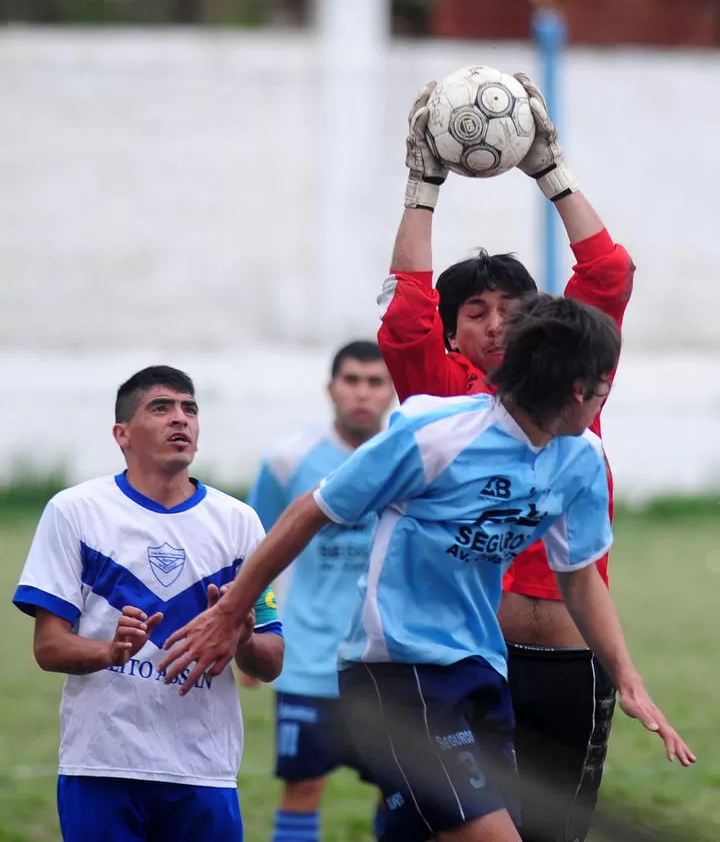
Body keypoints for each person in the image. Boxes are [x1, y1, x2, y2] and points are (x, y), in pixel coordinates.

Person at [158, 295, 694, 842]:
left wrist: (628, 680)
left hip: (483, 668)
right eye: (605, 384)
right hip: (396, 673)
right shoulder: (434, 435)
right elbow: (309, 513)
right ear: (579, 389)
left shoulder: (579, 460)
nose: (606, 395)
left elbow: (578, 576)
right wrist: (231, 612)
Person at [377, 73, 635, 841]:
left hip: (565, 664)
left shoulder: (571, 384)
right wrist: (422, 185)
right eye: (476, 311)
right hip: (463, 665)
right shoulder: (439, 394)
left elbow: (609, 276)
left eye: (512, 309)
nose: (495, 324)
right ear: (453, 333)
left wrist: (551, 173)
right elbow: (405, 311)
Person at [13, 365, 284, 842]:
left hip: (204, 772)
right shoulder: (75, 512)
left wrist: (242, 640)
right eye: (161, 408)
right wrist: (109, 652)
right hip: (100, 767)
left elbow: (271, 661)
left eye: (189, 409)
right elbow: (48, 647)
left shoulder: (240, 523)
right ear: (122, 434)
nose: (180, 419)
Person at [246, 340, 395, 842]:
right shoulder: (289, 459)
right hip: (307, 660)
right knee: (303, 788)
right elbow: (255, 552)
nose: (362, 393)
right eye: (351, 380)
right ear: (331, 388)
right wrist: (257, 633)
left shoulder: (410, 455)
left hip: (388, 662)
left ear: (392, 391)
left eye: (375, 382)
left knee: (399, 795)